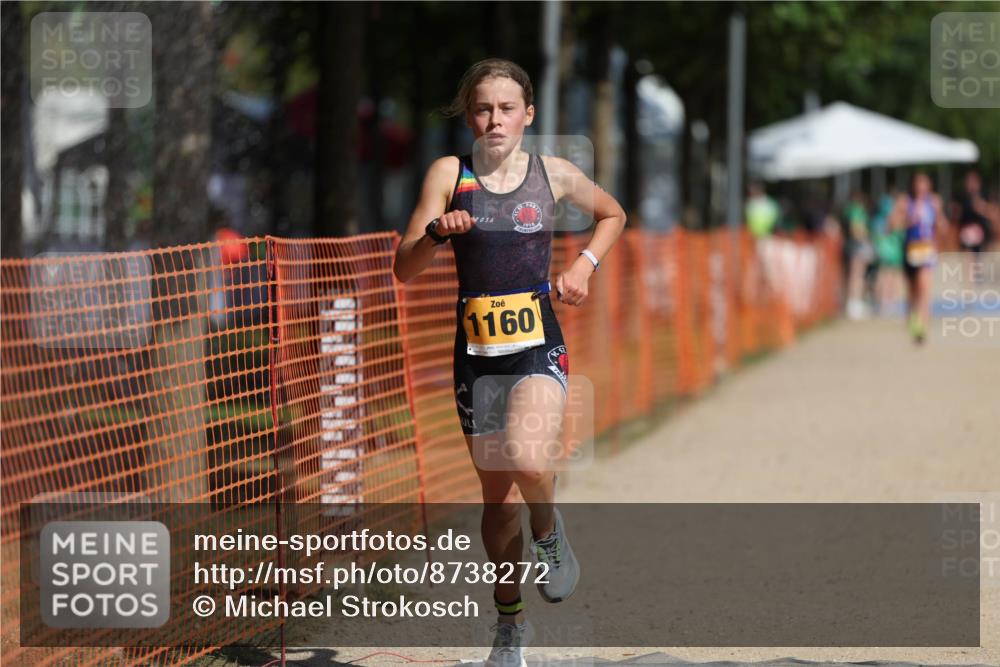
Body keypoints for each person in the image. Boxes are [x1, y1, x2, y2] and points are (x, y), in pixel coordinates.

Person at [392, 58, 626, 667]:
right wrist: (438, 234)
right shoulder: (451, 174)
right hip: (475, 356)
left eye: (505, 108)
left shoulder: (553, 174)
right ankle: (510, 626)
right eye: (482, 108)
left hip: (537, 345)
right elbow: (404, 266)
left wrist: (582, 266)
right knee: (496, 505)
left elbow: (613, 214)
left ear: (528, 114)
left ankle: (549, 535)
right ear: (469, 114)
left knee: (526, 458)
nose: (494, 119)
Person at [889, 172, 945, 345]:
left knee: (924, 287)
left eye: (924, 183)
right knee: (913, 290)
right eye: (918, 183)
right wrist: (907, 220)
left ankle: (923, 327)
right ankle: (913, 319)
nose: (921, 187)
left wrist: (939, 221)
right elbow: (891, 225)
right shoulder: (905, 201)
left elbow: (942, 226)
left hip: (927, 250)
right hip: (910, 250)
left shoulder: (934, 202)